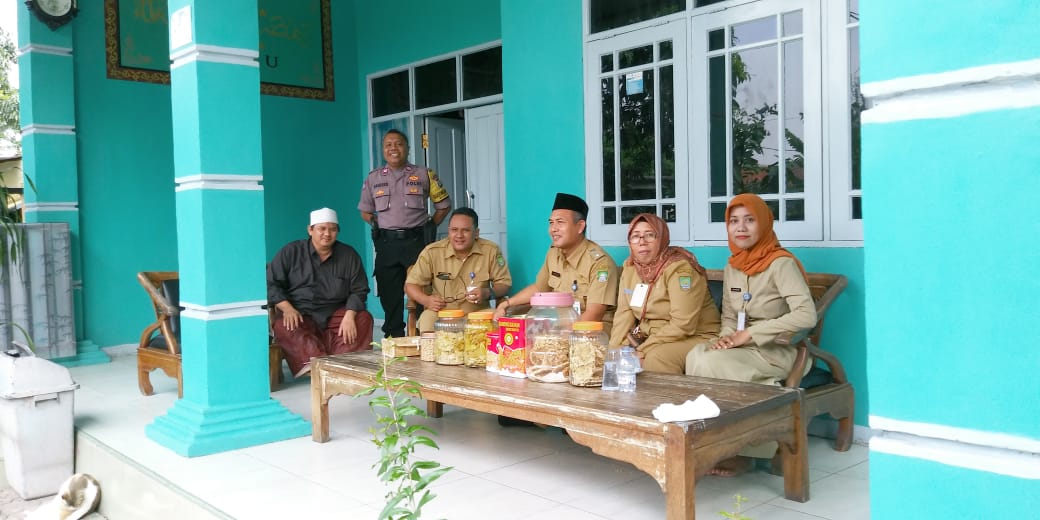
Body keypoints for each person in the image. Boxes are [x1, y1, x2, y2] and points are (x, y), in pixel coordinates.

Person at [685, 193, 817, 476]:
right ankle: (719, 442)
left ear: (764, 224)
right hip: (744, 350)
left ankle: (751, 450)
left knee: (713, 364)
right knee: (698, 355)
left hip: (780, 351)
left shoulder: (781, 264)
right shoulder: (734, 264)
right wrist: (726, 336)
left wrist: (751, 335)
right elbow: (731, 316)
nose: (740, 228)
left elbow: (806, 315)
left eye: (749, 220)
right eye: (733, 221)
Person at [358, 129, 451, 338]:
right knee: (390, 293)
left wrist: (430, 227)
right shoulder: (373, 178)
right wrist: (378, 223)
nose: (393, 148)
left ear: (408, 148)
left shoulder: (424, 174)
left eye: (398, 144)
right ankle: (394, 337)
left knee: (420, 290)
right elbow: (365, 211)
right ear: (383, 150)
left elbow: (444, 205)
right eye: (388, 144)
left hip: (417, 243)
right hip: (387, 245)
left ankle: (419, 334)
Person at [267, 208, 374, 378]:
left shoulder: (348, 255)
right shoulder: (291, 252)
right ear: (310, 230)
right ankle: (318, 366)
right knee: (283, 326)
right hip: (299, 313)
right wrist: (287, 308)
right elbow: (271, 284)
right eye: (322, 228)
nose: (327, 234)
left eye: (332, 229)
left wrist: (349, 315)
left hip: (335, 313)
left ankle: (343, 363)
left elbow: (359, 289)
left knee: (363, 318)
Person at [609, 213, 720, 374]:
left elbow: (683, 324)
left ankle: (668, 400)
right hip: (653, 336)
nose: (642, 242)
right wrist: (614, 351)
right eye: (635, 236)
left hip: (695, 335)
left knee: (655, 358)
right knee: (613, 357)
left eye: (649, 235)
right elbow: (623, 315)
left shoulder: (680, 269)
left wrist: (642, 350)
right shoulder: (631, 268)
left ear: (661, 238)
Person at [493, 192, 619, 329]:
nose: (553, 229)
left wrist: (554, 336)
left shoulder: (600, 264)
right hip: (559, 327)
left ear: (580, 226)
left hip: (590, 335)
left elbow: (593, 315)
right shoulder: (554, 252)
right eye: (551, 223)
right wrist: (506, 304)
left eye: (560, 222)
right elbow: (540, 288)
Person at [405, 207, 512, 333]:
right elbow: (410, 285)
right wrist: (426, 300)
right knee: (427, 319)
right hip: (442, 313)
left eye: (465, 230)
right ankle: (432, 353)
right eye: (454, 230)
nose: (459, 235)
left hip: (477, 313)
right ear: (449, 231)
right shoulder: (432, 252)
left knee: (497, 321)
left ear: (476, 233)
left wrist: (486, 293)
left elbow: (504, 284)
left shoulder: (491, 250)